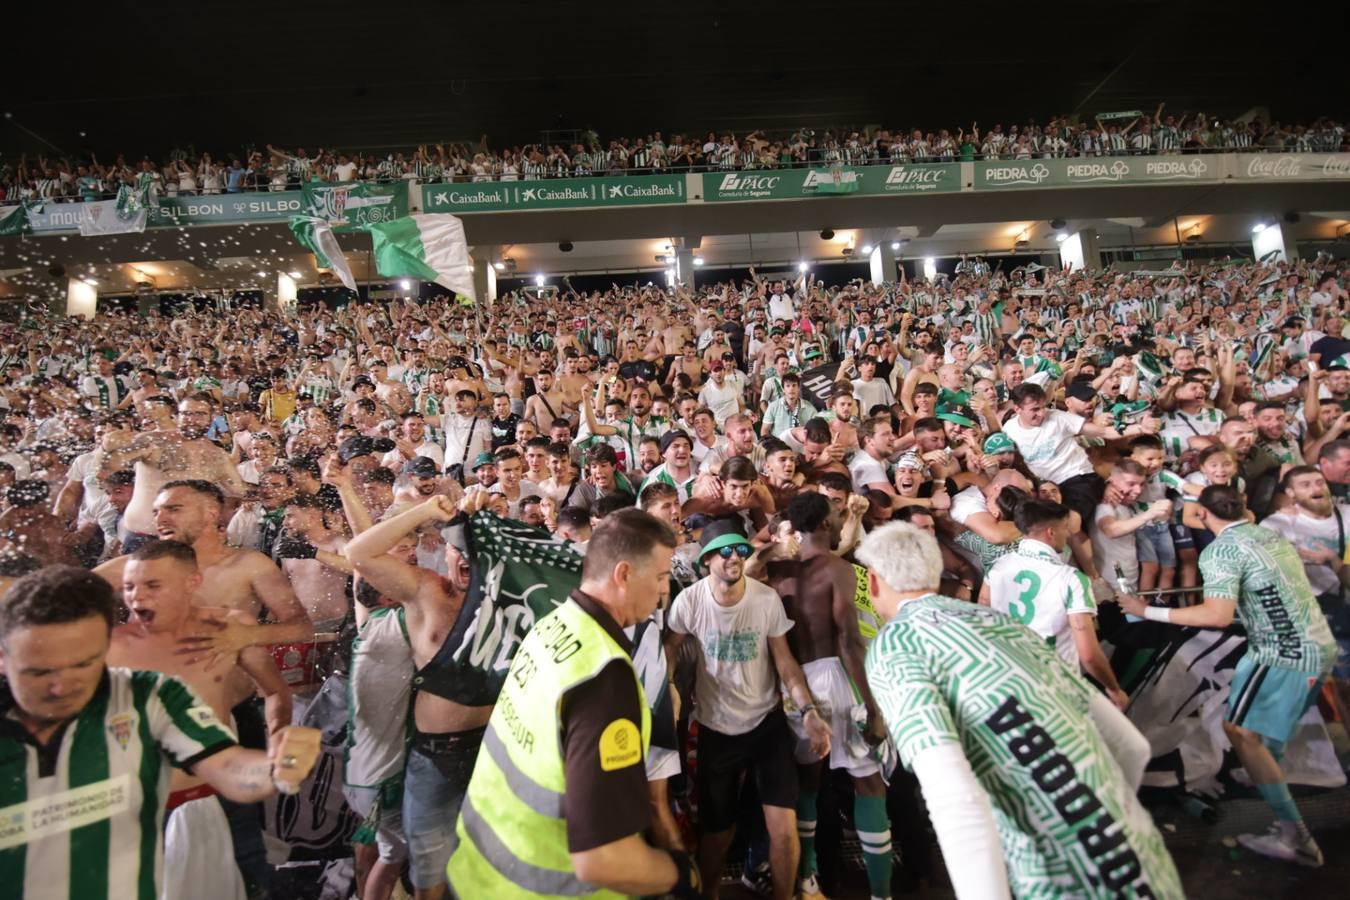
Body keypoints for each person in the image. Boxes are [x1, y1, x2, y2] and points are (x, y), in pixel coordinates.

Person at [859, 522, 1183, 898]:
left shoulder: (896, 647)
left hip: (1054, 880)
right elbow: (1130, 746)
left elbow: (954, 797)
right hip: (1140, 860)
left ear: (873, 581)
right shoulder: (1001, 622)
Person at [0, 566, 321, 900]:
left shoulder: (146, 694)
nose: (63, 685)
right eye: (40, 670)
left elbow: (226, 766)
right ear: (4, 659)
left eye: (84, 663)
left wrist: (280, 766)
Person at [447, 509, 702, 899]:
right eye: (661, 577)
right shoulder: (604, 676)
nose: (664, 591)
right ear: (624, 574)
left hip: (477, 875)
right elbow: (603, 860)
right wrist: (679, 875)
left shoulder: (549, 626)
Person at [1120, 485, 1338, 865]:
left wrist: (1146, 611)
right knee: (1250, 727)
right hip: (1314, 642)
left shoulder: (1221, 549)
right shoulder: (1267, 533)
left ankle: (1296, 838)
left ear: (1201, 515)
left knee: (1241, 732)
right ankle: (1263, 776)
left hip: (1283, 652)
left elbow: (1216, 616)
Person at [108, 540, 293, 900]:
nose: (137, 596)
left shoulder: (230, 628)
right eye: (129, 586)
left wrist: (279, 738)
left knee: (249, 883)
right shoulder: (110, 646)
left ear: (192, 582)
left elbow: (274, 692)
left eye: (153, 585)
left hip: (221, 791)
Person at [667, 518, 831, 900]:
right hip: (716, 728)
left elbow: (785, 661)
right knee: (717, 831)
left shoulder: (764, 598)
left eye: (740, 549)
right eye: (724, 551)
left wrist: (809, 711)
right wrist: (671, 684)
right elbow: (671, 647)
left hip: (766, 724)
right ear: (707, 559)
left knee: (783, 827)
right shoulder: (689, 602)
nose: (734, 558)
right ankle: (708, 892)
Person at [760, 492, 892, 900]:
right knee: (870, 785)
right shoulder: (839, 570)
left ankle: (808, 878)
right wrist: (873, 707)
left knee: (808, 786)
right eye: (835, 516)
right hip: (837, 676)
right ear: (822, 524)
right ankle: (881, 894)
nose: (839, 522)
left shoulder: (777, 570)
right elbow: (851, 642)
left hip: (795, 685)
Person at [985, 498, 1130, 708]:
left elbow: (983, 607)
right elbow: (1088, 654)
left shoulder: (998, 566)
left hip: (1008, 678)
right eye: (1064, 528)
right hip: (1055, 686)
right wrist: (1114, 689)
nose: (1068, 534)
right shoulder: (1071, 578)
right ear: (1051, 532)